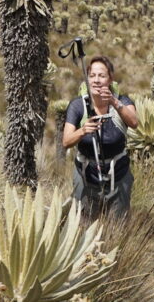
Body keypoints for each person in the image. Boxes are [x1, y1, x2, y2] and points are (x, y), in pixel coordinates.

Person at [61, 55, 139, 219]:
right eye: (92, 76)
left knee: (117, 226)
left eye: (101, 76)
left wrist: (114, 102)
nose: (96, 80)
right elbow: (66, 141)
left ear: (110, 79)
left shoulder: (122, 101)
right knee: (83, 225)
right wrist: (82, 131)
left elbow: (134, 122)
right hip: (86, 176)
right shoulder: (77, 106)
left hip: (118, 176)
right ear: (87, 79)